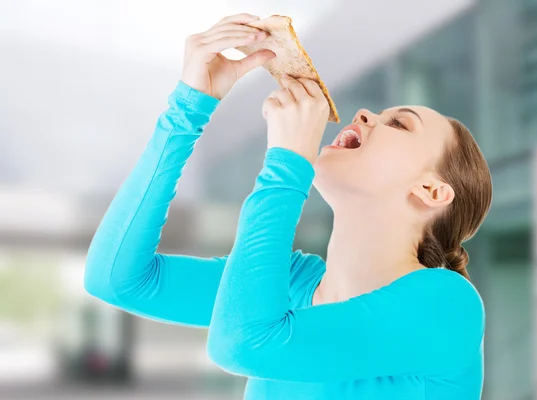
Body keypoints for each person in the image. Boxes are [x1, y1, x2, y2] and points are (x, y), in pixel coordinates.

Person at [84, 13, 491, 400]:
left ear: (432, 191)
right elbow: (118, 278)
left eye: (399, 124)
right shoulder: (291, 282)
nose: (364, 113)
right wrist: (189, 107)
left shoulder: (446, 304)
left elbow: (243, 345)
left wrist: (286, 164)